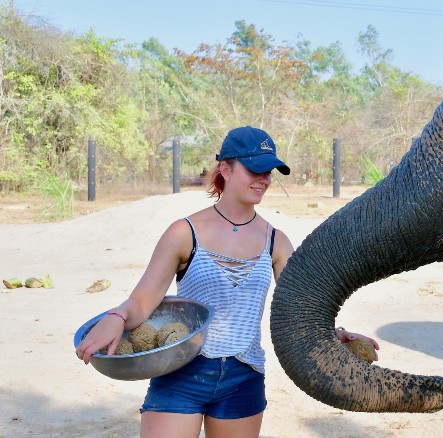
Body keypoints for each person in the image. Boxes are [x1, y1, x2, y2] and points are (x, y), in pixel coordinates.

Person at [75, 126, 379, 438]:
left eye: (270, 171)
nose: (264, 179)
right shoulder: (184, 232)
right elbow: (142, 301)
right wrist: (117, 317)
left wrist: (334, 334)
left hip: (243, 377)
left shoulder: (276, 242)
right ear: (226, 169)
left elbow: (299, 311)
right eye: (255, 169)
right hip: (181, 372)